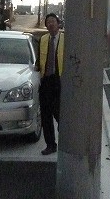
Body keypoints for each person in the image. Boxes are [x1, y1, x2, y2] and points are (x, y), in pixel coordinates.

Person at [38, 12, 64, 155]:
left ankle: (65, 138)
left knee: (59, 112)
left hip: (60, 80)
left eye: (53, 21)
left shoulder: (66, 39)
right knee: (46, 115)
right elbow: (39, 60)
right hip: (46, 81)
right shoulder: (43, 39)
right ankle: (50, 145)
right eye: (48, 22)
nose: (50, 23)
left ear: (58, 24)